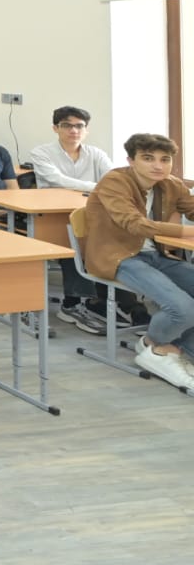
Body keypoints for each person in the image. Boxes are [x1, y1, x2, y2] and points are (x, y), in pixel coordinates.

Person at [83, 133, 194, 388]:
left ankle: (178, 349)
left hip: (157, 255)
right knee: (183, 308)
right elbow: (134, 224)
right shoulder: (115, 181)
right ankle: (154, 345)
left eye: (165, 159)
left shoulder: (170, 184)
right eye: (148, 158)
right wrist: (186, 231)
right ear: (131, 160)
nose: (158, 165)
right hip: (118, 256)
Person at [30, 106, 116, 332]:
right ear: (55, 128)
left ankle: (104, 302)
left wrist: (99, 189)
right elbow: (57, 180)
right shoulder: (41, 152)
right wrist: (97, 187)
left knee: (109, 242)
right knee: (74, 243)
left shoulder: (96, 154)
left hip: (90, 214)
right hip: (52, 216)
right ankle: (74, 303)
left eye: (79, 126)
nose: (73, 130)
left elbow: (113, 180)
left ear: (86, 130)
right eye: (67, 125)